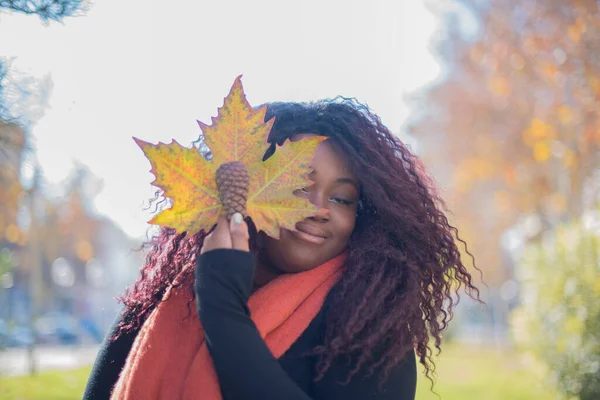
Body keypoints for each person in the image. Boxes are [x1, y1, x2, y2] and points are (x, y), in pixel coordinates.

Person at [83, 98, 481, 400]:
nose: (319, 209)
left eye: (342, 198)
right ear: (245, 191)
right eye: (297, 187)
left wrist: (222, 308)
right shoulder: (163, 303)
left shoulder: (369, 324)